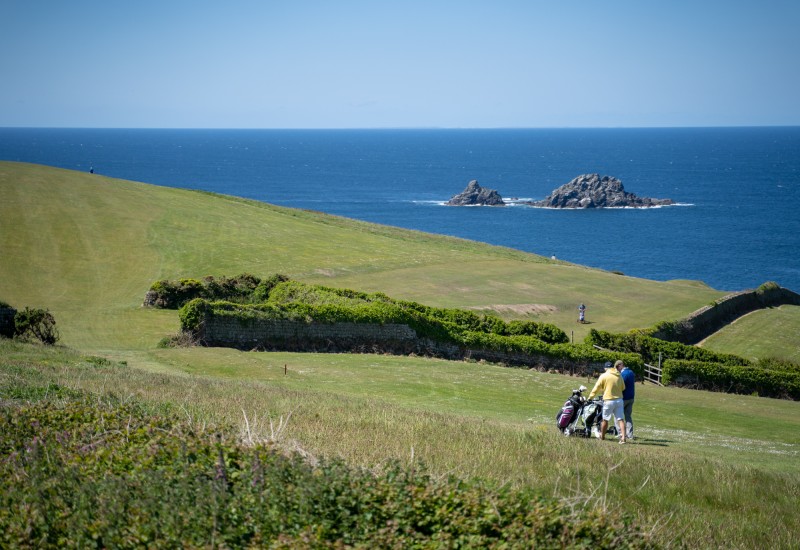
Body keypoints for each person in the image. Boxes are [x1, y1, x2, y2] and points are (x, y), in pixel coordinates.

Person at [587, 360, 627, 443]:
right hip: (619, 400)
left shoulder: (604, 376)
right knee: (621, 419)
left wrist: (590, 397)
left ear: (605, 368)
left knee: (605, 419)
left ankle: (602, 436)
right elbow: (623, 387)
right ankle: (623, 438)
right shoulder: (619, 375)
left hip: (608, 400)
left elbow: (596, 388)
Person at [619, 360, 635, 440]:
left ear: (621, 365)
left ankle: (621, 433)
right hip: (631, 397)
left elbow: (621, 386)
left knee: (618, 416)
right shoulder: (631, 372)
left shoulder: (623, 374)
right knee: (628, 416)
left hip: (624, 398)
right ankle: (630, 434)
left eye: (618, 367)